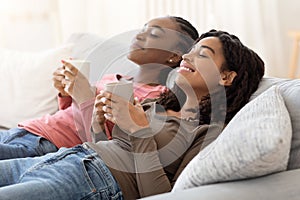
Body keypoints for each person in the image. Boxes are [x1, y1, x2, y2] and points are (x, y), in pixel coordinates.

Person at [0, 30, 265, 200]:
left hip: (93, 179)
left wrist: (139, 131)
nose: (187, 56)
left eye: (202, 54)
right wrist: (99, 121)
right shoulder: (157, 105)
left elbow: (160, 194)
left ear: (226, 76)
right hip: (64, 158)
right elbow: (110, 145)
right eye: (191, 50)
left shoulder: (208, 133)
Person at [0, 16, 199, 160]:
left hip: (46, 143)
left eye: (154, 34)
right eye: (143, 28)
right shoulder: (113, 78)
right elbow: (71, 115)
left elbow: (103, 147)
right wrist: (66, 92)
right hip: (29, 128)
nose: (140, 35)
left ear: (173, 55)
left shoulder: (157, 98)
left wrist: (85, 95)